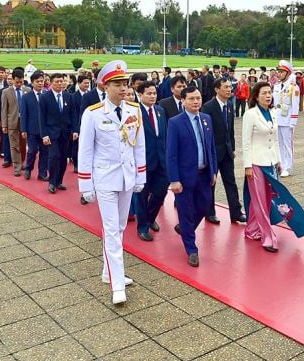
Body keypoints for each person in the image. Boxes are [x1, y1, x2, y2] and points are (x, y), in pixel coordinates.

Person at [78, 60, 146, 305]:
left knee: (119, 227)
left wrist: (141, 175)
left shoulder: (133, 110)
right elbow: (85, 151)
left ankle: (109, 272)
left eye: (124, 84)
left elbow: (139, 145)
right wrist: (86, 185)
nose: (123, 88)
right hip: (105, 178)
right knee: (111, 231)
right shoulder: (93, 113)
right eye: (117, 84)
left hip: (127, 177)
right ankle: (117, 284)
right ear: (105, 86)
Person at [166, 86, 217, 267]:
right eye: (191, 99)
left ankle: (185, 229)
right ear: (183, 101)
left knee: (204, 207)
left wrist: (214, 171)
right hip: (184, 177)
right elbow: (170, 154)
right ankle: (191, 249)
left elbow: (211, 148)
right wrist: (174, 179)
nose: (196, 102)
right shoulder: (175, 122)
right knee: (186, 212)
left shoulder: (206, 119)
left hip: (204, 174)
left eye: (198, 98)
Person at [242, 81, 281, 251]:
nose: (268, 96)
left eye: (269, 93)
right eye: (264, 93)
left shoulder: (272, 113)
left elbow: (276, 140)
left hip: (271, 162)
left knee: (267, 198)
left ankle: (251, 230)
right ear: (256, 96)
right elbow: (246, 142)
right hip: (256, 163)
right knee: (259, 201)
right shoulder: (251, 114)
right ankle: (268, 237)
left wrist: (278, 160)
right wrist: (247, 166)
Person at [202, 78, 246, 224]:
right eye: (226, 87)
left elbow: (230, 130)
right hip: (213, 153)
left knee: (231, 182)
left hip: (227, 152)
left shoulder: (229, 106)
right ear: (216, 89)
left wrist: (232, 148)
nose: (229, 89)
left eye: (230, 87)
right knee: (211, 183)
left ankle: (236, 212)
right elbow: (206, 133)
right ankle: (209, 212)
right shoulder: (208, 107)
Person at [136, 81, 168, 240]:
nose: (152, 96)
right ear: (140, 95)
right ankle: (143, 227)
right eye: (149, 93)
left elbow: (164, 136)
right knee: (142, 196)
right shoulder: (134, 112)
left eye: (154, 93)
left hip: (161, 160)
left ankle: (150, 218)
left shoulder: (161, 111)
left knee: (160, 192)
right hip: (143, 161)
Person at [40, 73, 77, 194]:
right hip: (51, 133)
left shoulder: (69, 96)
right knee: (54, 156)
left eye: (62, 81)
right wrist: (44, 135)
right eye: (57, 82)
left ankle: (59, 181)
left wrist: (75, 130)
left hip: (65, 133)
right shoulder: (45, 97)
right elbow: (42, 117)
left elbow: (73, 115)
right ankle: (51, 182)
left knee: (62, 158)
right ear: (51, 83)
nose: (60, 84)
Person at [271, 60, 299, 177]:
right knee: (279, 144)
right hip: (277, 118)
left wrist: (293, 122)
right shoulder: (276, 86)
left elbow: (295, 106)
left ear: (287, 73)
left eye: (282, 72)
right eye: (279, 71)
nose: (279, 74)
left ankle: (287, 167)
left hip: (287, 120)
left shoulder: (293, 87)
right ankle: (281, 165)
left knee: (288, 145)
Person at [20, 71, 49, 181]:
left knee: (45, 152)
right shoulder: (26, 97)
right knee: (32, 151)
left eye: (42, 81)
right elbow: (23, 114)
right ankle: (28, 169)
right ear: (32, 83)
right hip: (32, 129)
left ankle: (42, 173)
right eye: (37, 82)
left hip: (45, 130)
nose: (40, 83)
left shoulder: (47, 95)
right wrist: (23, 129)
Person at [1, 68, 29, 177]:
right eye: (17, 82)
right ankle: (16, 166)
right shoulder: (6, 92)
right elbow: (4, 109)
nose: (19, 84)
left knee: (23, 144)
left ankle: (22, 162)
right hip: (12, 121)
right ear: (12, 80)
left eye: (21, 82)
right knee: (14, 145)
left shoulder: (27, 90)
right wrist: (4, 124)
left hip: (25, 122)